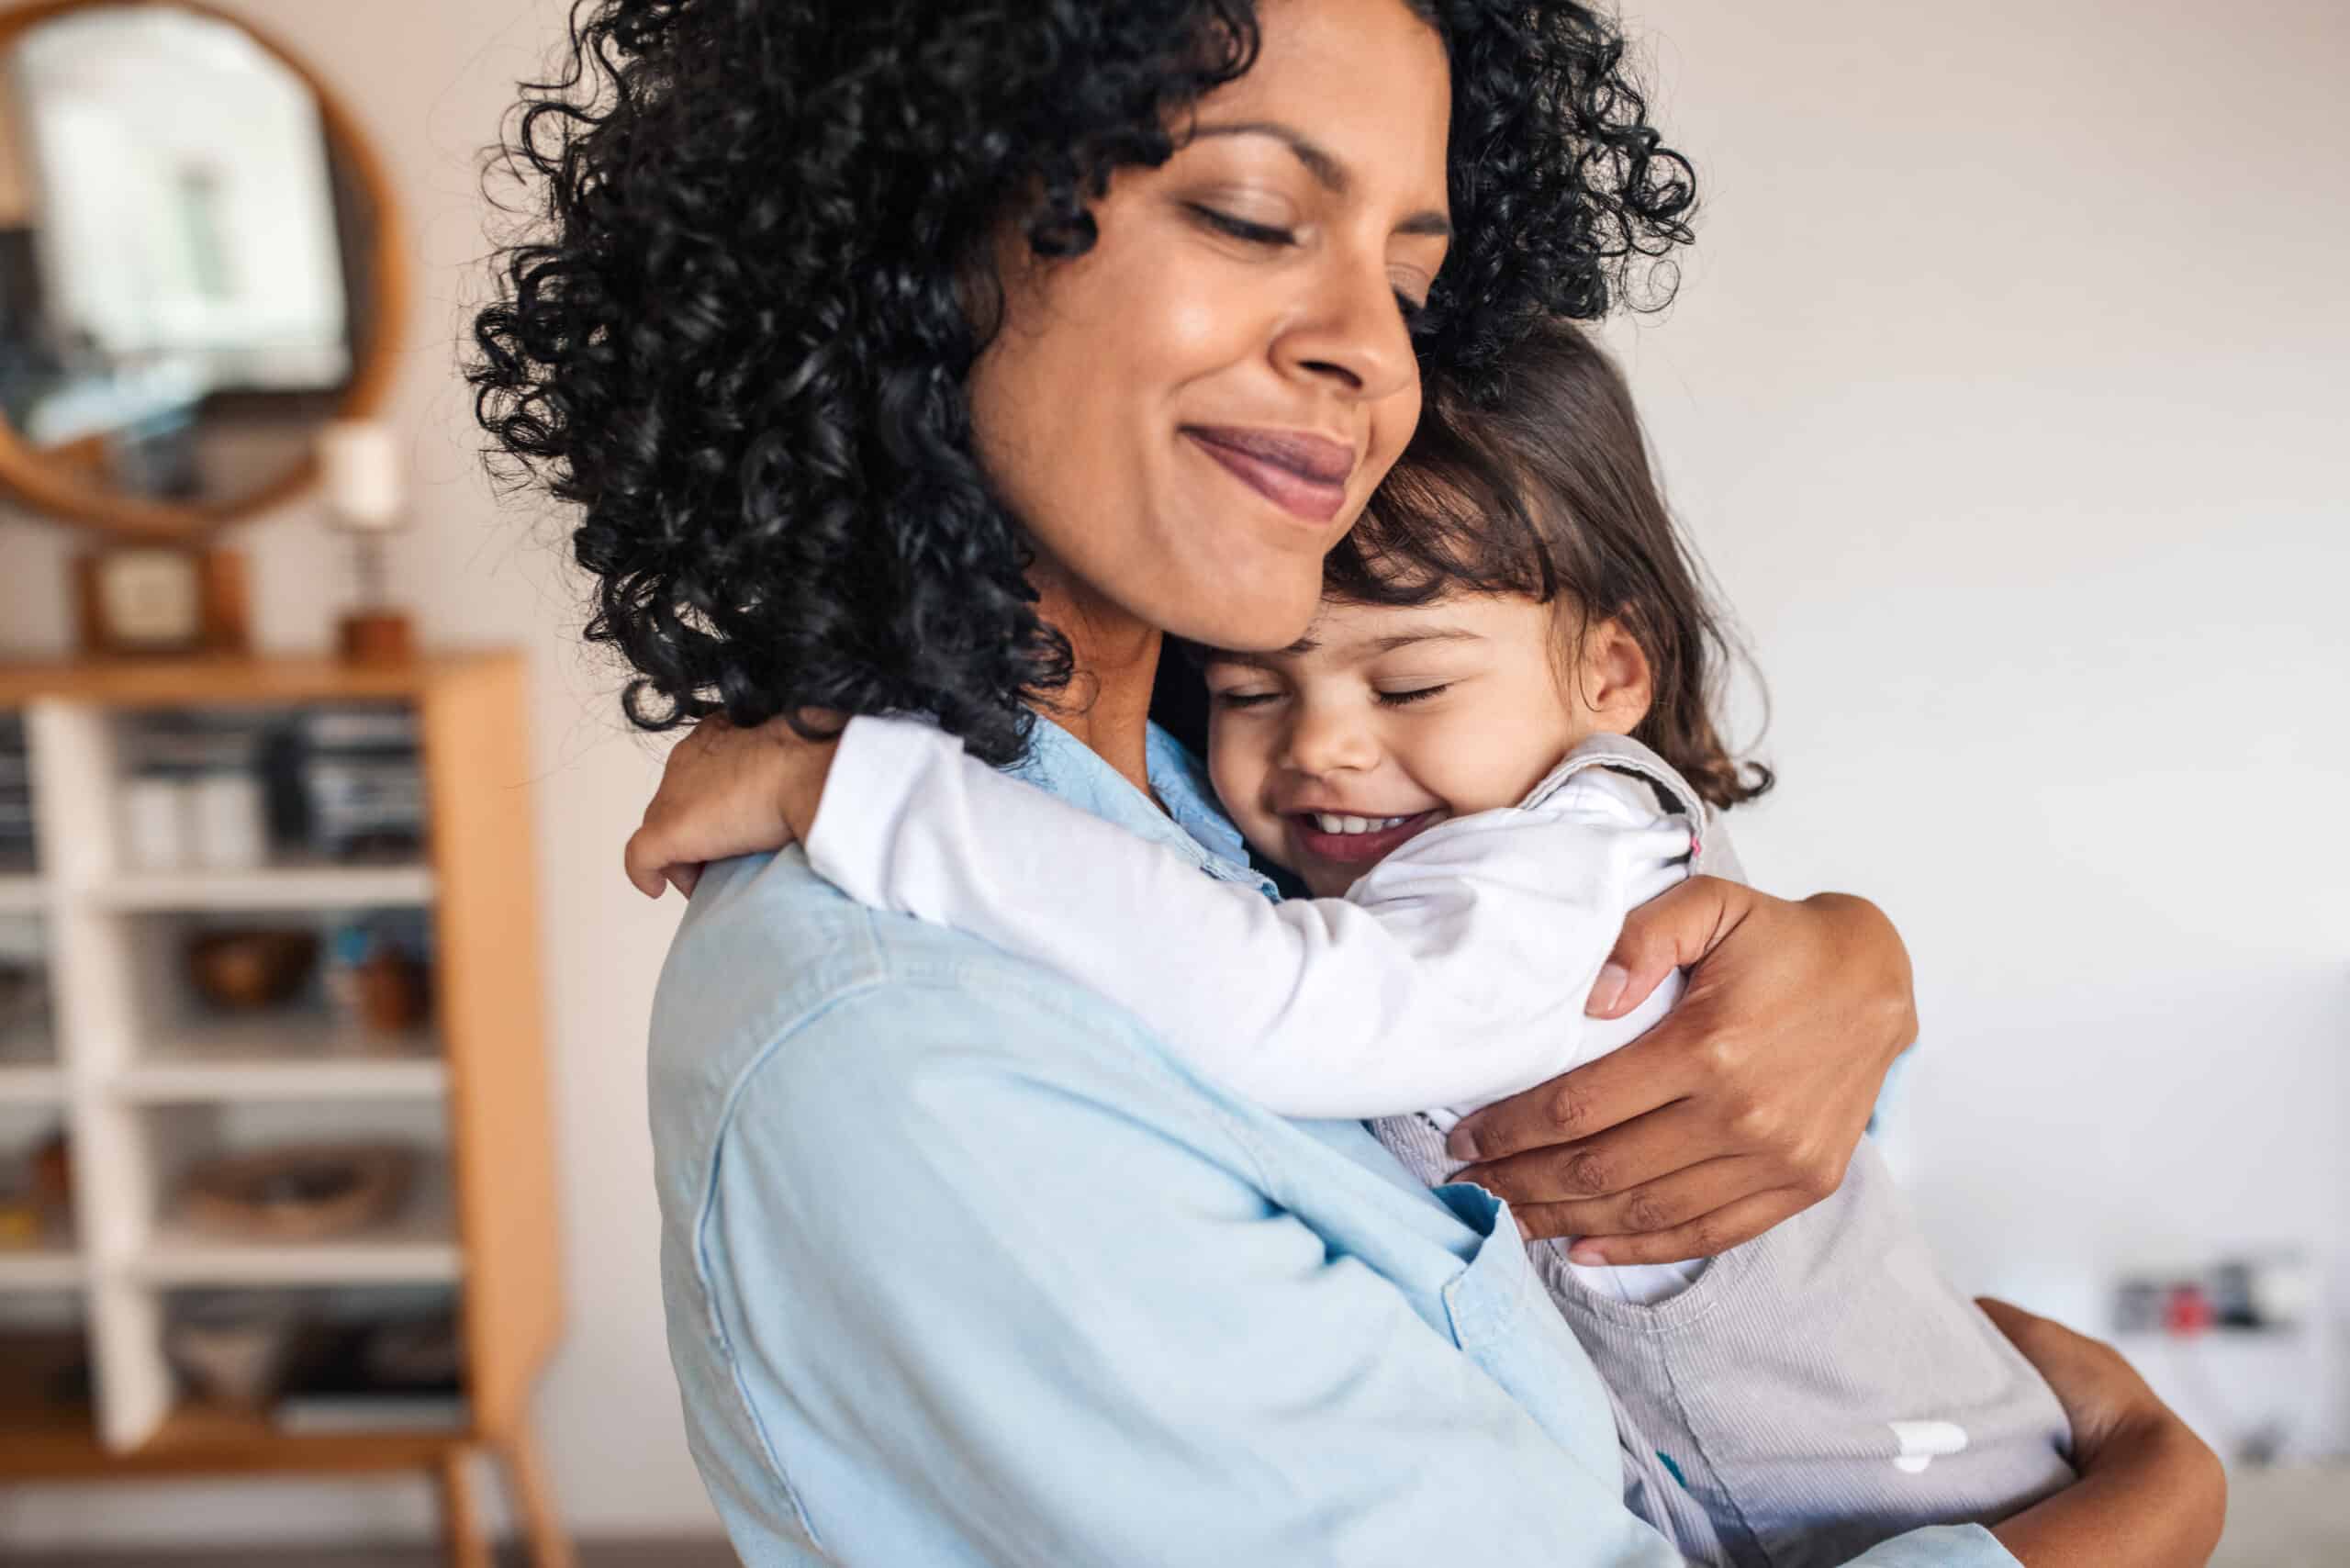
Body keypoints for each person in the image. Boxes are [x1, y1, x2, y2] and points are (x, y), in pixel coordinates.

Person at [477, 0, 2225, 1562]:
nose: (1372, 357)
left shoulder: (1214, 796)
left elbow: (1677, 1161)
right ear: (903, 244)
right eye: (1250, 215)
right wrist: (2152, 1493)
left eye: (1407, 279)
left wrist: (1833, 959)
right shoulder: (910, 1051)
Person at [621, 319, 2087, 1566]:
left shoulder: (1553, 862)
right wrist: (2147, 1501)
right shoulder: (905, 1038)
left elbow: (1289, 1009)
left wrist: (858, 792)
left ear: (1615, 670)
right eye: (1258, 692)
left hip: (1895, 1485)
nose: (1323, 750)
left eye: (1413, 685)